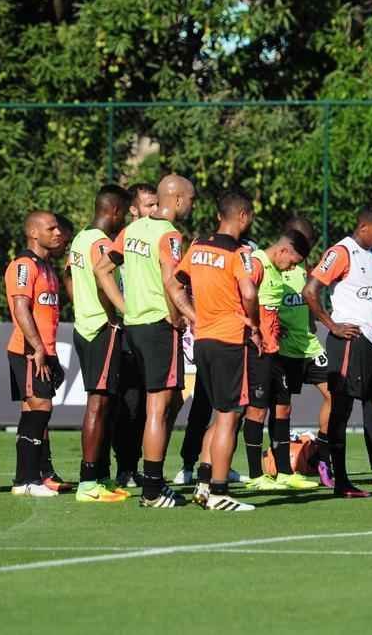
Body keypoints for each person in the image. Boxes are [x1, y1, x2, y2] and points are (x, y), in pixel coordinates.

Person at [96, 174, 197, 508]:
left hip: (135, 326)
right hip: (157, 325)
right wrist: (178, 314)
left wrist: (124, 308)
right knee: (159, 405)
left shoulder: (132, 229)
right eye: (191, 199)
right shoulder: (169, 234)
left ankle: (153, 482)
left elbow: (101, 269)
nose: (192, 205)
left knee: (162, 402)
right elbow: (172, 279)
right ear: (179, 199)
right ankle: (153, 489)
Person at [173, 191, 261, 512]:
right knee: (230, 416)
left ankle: (205, 482)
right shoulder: (241, 253)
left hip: (203, 340)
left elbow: (175, 283)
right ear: (243, 216)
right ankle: (220, 491)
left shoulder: (196, 246)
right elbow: (249, 291)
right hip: (229, 339)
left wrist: (190, 314)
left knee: (218, 413)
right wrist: (253, 323)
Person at [305, 206, 372, 498]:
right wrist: (332, 325)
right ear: (364, 227)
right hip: (350, 341)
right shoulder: (343, 252)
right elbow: (310, 290)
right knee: (341, 410)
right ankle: (340, 481)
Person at [66, 185, 131, 503]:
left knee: (106, 403)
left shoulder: (80, 238)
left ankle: (101, 476)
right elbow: (103, 281)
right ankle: (88, 480)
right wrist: (115, 313)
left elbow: (68, 276)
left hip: (85, 326)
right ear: (115, 211)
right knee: (99, 402)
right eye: (126, 213)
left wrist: (81, 305)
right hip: (101, 329)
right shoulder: (102, 243)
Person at [241, 230, 318, 491]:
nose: (294, 267)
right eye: (294, 261)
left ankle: (284, 471)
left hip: (277, 349)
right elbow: (240, 298)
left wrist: (274, 326)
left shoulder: (275, 270)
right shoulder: (258, 263)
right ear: (284, 250)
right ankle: (255, 474)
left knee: (284, 406)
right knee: (257, 409)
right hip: (258, 351)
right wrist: (252, 331)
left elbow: (269, 306)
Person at [5, 211, 66, 498]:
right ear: (33, 234)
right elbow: (20, 308)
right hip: (29, 351)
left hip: (44, 352)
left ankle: (29, 478)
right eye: (51, 228)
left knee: (33, 411)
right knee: (40, 409)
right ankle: (27, 480)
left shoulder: (47, 268)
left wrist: (51, 355)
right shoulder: (24, 265)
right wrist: (38, 348)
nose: (57, 233)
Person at [273, 216, 334, 482]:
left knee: (335, 395)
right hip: (285, 350)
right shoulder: (274, 267)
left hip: (309, 346)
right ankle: (282, 468)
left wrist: (313, 324)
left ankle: (322, 456)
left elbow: (310, 302)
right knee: (281, 409)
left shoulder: (307, 271)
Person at [112, 183, 158, 488]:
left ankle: (136, 466)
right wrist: (123, 310)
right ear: (133, 210)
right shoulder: (123, 239)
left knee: (145, 404)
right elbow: (102, 274)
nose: (153, 211)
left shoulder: (158, 235)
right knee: (126, 404)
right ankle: (122, 468)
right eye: (147, 205)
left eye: (156, 205)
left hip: (150, 327)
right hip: (126, 330)